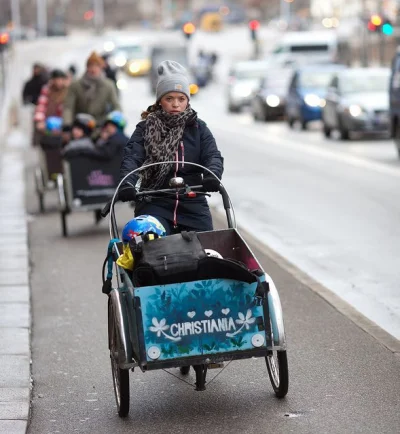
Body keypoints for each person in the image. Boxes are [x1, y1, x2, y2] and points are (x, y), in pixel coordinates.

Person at [119, 60, 224, 235]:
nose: (176, 104)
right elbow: (132, 157)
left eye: (181, 99)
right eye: (169, 98)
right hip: (155, 203)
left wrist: (212, 175)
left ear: (187, 101)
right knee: (145, 240)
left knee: (207, 248)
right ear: (160, 101)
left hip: (192, 204)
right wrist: (127, 183)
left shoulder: (199, 128)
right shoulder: (145, 128)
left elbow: (212, 155)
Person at [62, 51, 121, 130]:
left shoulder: (108, 85)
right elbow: (68, 107)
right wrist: (67, 124)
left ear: (101, 68)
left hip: (100, 125)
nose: (93, 69)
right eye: (90, 66)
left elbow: (116, 106)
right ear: (87, 67)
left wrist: (112, 123)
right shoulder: (76, 85)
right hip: (80, 126)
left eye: (96, 66)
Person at [33, 69, 69, 134]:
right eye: (57, 80)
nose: (59, 82)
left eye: (61, 80)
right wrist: (40, 120)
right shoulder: (47, 90)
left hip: (62, 123)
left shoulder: (67, 92)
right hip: (47, 122)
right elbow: (41, 105)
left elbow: (69, 108)